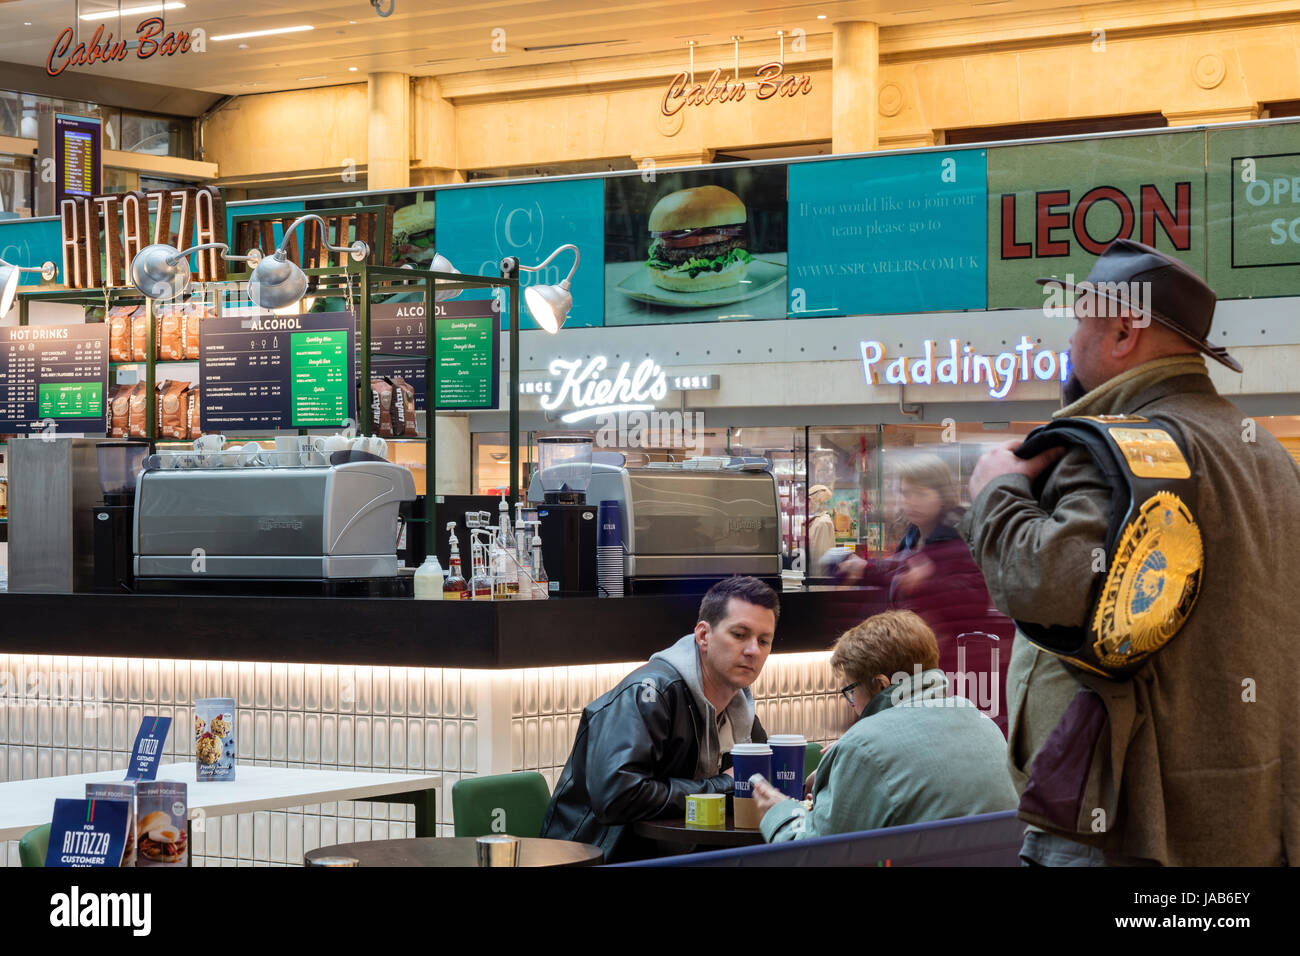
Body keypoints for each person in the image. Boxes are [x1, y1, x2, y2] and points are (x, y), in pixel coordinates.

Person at [961, 238, 1300, 866]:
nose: (1068, 340)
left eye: (1080, 318)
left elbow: (1049, 584)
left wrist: (995, 494)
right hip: (1252, 823)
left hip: (1130, 827)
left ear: (1124, 329)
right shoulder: (1272, 458)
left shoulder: (1121, 448)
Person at [540, 575, 778, 861]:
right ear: (703, 636)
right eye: (739, 635)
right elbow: (618, 796)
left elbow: (758, 784)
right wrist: (724, 785)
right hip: (603, 856)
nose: (753, 650)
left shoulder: (740, 708)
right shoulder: (649, 694)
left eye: (764, 641)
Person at [752, 610, 1016, 841]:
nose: (851, 704)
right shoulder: (981, 721)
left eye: (851, 691)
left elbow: (816, 855)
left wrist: (780, 811)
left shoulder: (864, 746)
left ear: (881, 685)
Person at [837, 453, 1012, 731]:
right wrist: (866, 570)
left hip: (953, 672)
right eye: (905, 493)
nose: (910, 502)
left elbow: (973, 598)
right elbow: (904, 575)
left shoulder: (960, 535)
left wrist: (928, 581)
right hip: (917, 665)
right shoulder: (914, 536)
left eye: (920, 493)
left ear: (941, 494)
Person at [806, 484, 835, 574]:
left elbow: (820, 556)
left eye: (808, 500)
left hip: (819, 579)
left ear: (815, 501)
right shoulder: (818, 520)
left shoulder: (822, 522)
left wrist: (815, 582)